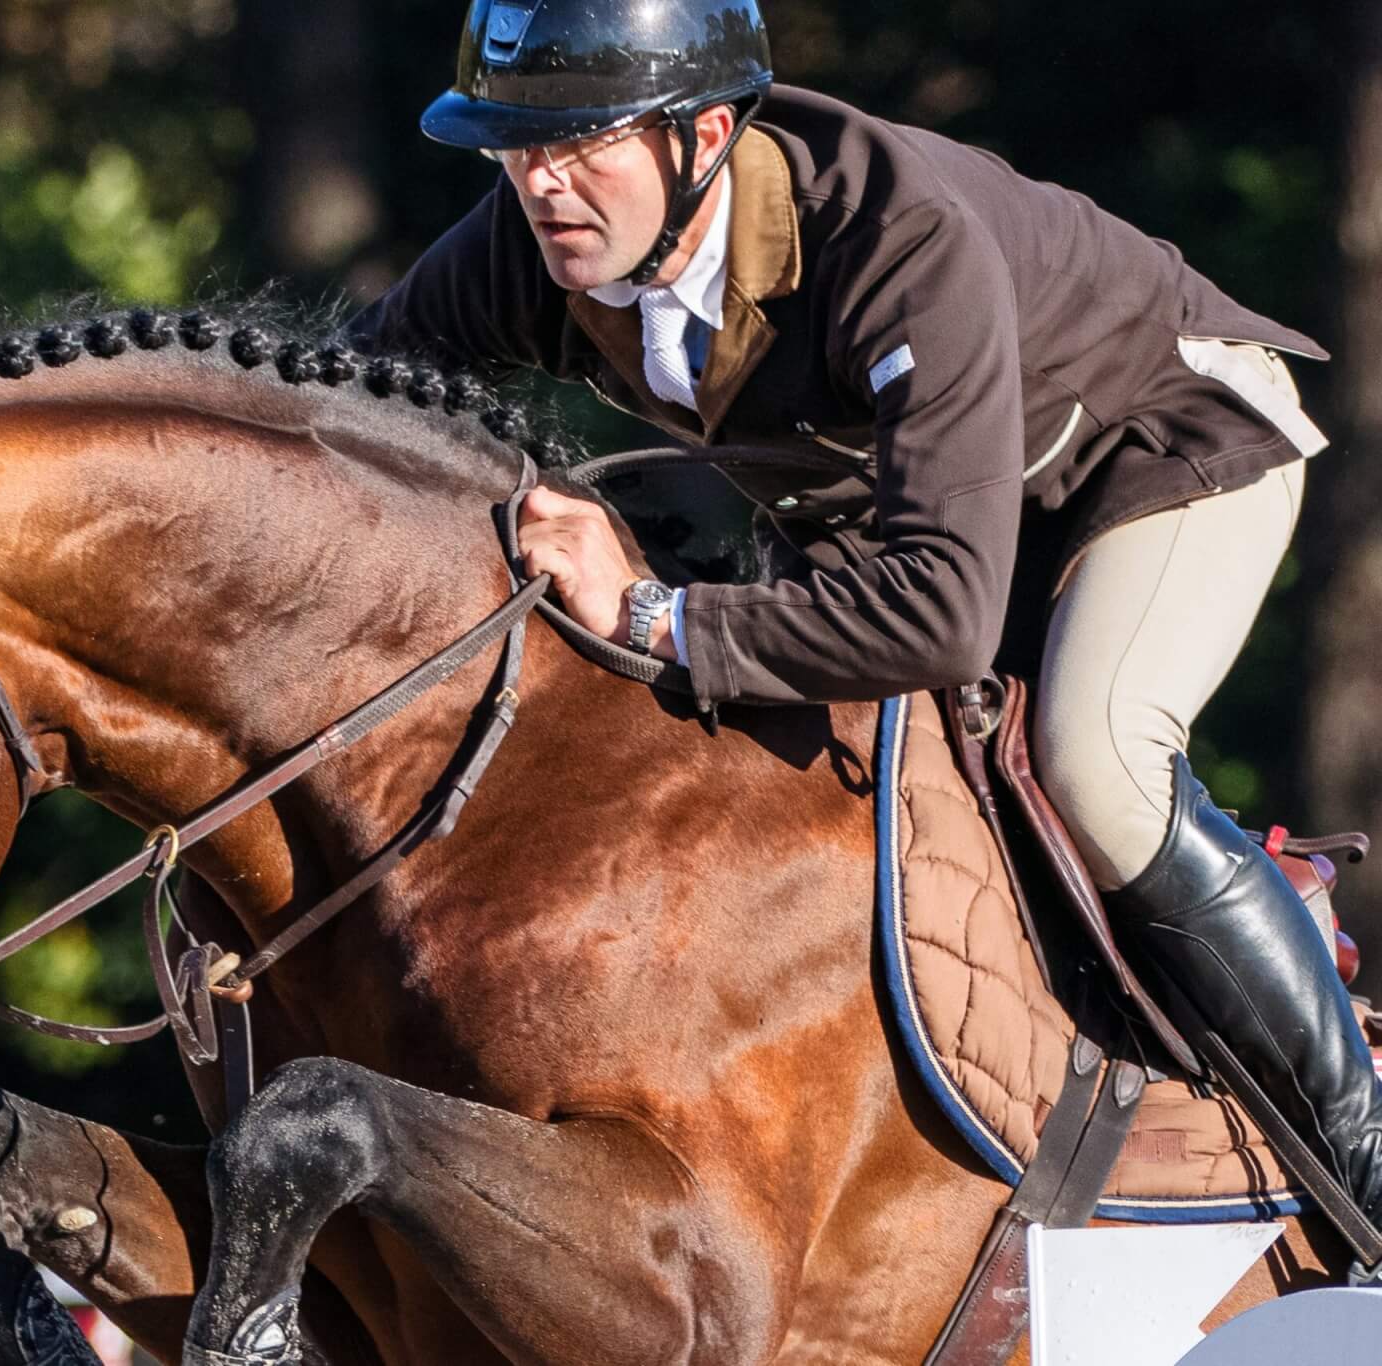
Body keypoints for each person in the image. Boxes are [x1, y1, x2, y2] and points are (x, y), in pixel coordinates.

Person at [345, 0, 1382, 1230]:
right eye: (515, 148)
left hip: (1150, 445)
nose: (541, 183)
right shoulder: (536, 243)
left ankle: (1359, 1150)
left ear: (704, 134)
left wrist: (645, 609)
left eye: (582, 146)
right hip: (920, 510)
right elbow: (357, 420)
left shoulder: (894, 237)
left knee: (1094, 762)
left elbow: (941, 615)